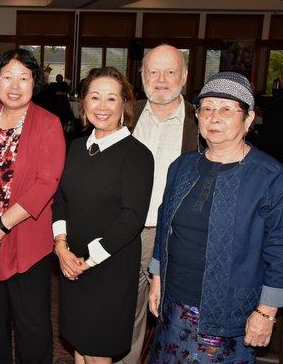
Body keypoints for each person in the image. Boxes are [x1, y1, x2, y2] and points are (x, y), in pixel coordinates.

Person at [149, 71, 283, 362]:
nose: (214, 116)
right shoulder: (182, 166)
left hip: (228, 317)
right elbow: (164, 225)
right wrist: (157, 277)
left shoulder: (269, 176)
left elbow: (279, 248)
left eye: (226, 109)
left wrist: (267, 311)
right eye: (207, 108)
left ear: (247, 120)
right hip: (173, 306)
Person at [0, 48, 66, 364]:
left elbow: (46, 183)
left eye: (23, 78)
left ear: (34, 82)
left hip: (26, 238)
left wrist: (1, 223)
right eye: (7, 77)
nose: (14, 85)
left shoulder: (48, 123)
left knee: (32, 324)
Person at [53, 67, 153, 364]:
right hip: (71, 262)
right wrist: (60, 247)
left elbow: (132, 218)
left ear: (125, 105)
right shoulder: (76, 147)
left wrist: (87, 259)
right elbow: (61, 199)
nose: (102, 106)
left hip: (109, 267)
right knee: (78, 344)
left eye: (112, 99)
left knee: (97, 351)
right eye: (95, 97)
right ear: (84, 103)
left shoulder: (137, 154)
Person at [117, 44, 198, 364]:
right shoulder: (124, 114)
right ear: (141, 75)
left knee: (177, 320)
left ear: (185, 75)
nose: (161, 79)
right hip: (127, 235)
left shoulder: (203, 120)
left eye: (170, 71)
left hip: (179, 238)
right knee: (126, 318)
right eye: (153, 71)